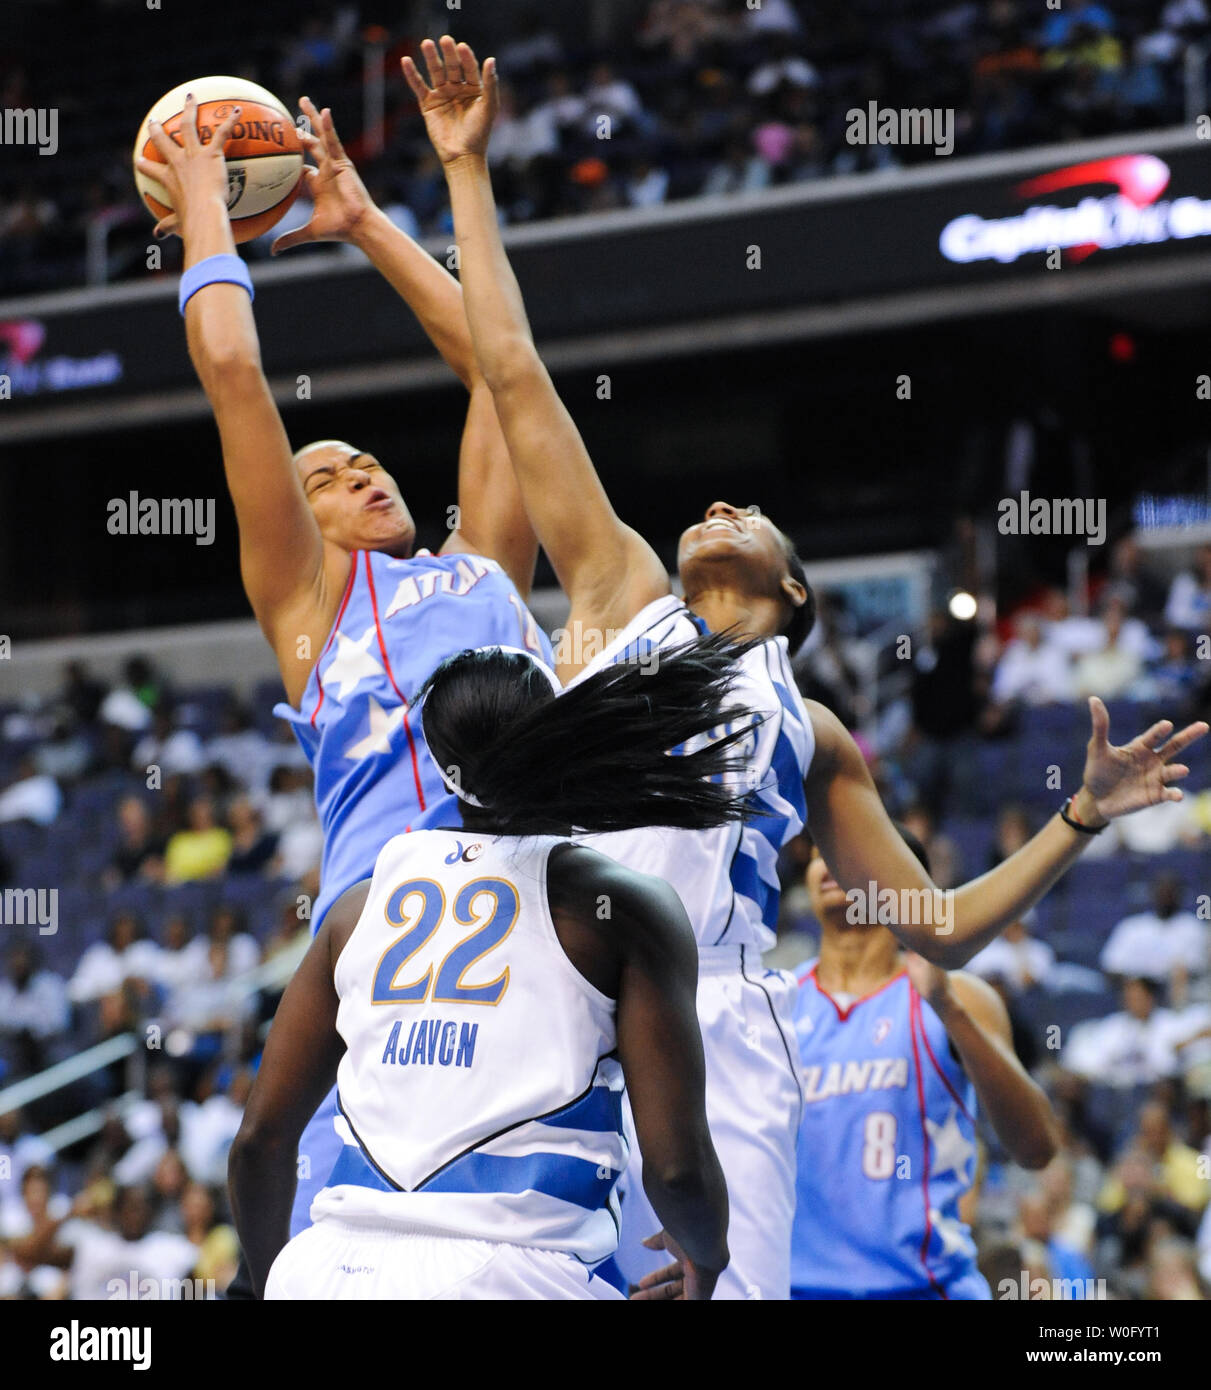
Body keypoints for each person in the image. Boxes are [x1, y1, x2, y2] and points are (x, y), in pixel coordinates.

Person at [401, 35, 1209, 1300]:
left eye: (751, 514)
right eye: (712, 506)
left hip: (718, 1030)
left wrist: (1078, 815)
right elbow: (511, 373)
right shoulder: (618, 595)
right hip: (550, 1003)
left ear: (790, 594)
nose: (718, 502)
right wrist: (465, 173)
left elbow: (934, 928)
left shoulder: (813, 729)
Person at [136, 91, 550, 1234]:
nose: (362, 475)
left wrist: (365, 223)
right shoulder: (309, 600)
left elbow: (504, 373)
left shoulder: (486, 575)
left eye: (369, 461)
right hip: (388, 966)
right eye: (325, 477)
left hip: (535, 943)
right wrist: (210, 214)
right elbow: (231, 368)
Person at [230, 635, 757, 1299]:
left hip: (325, 1268)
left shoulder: (357, 908)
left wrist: (261, 1282)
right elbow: (677, 1171)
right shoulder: (619, 906)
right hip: (509, 1272)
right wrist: (704, 1257)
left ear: (442, 765)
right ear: (559, 732)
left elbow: (259, 1141)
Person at [787, 826, 1059, 1300]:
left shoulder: (956, 996)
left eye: (841, 848)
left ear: (894, 876)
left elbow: (1036, 1148)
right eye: (817, 853)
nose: (825, 863)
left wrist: (949, 1008)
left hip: (925, 1288)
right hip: (793, 1288)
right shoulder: (774, 1002)